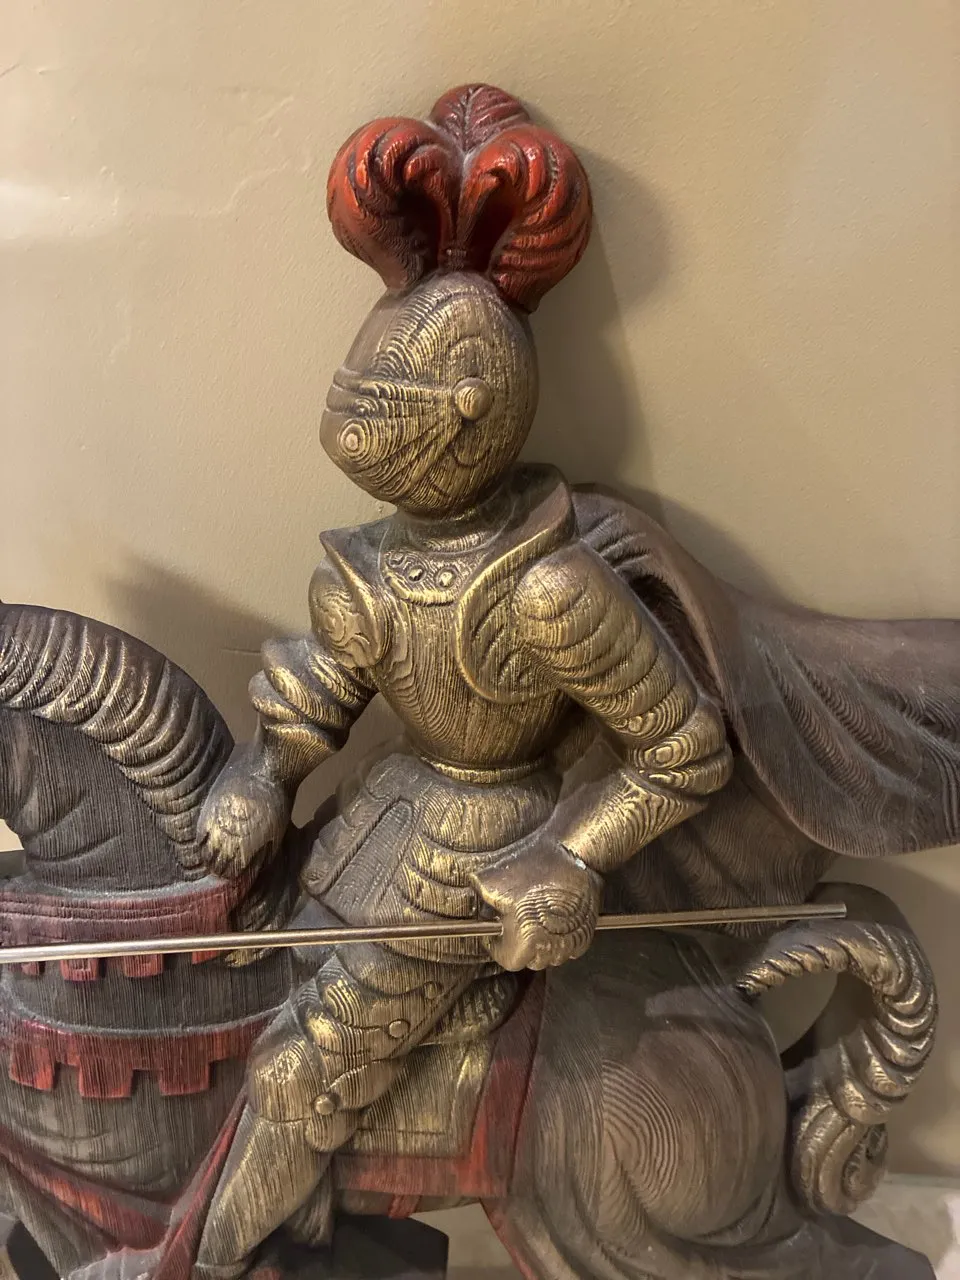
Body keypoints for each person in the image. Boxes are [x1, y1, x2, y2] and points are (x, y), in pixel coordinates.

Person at [191, 84, 732, 1277]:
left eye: (380, 399)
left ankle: (205, 1261)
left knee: (300, 1068)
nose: (350, 416)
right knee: (244, 970)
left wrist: (573, 853)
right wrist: (261, 773)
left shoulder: (547, 591)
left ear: (467, 413)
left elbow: (683, 748)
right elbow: (322, 694)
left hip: (483, 851)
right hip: (387, 813)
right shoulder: (373, 566)